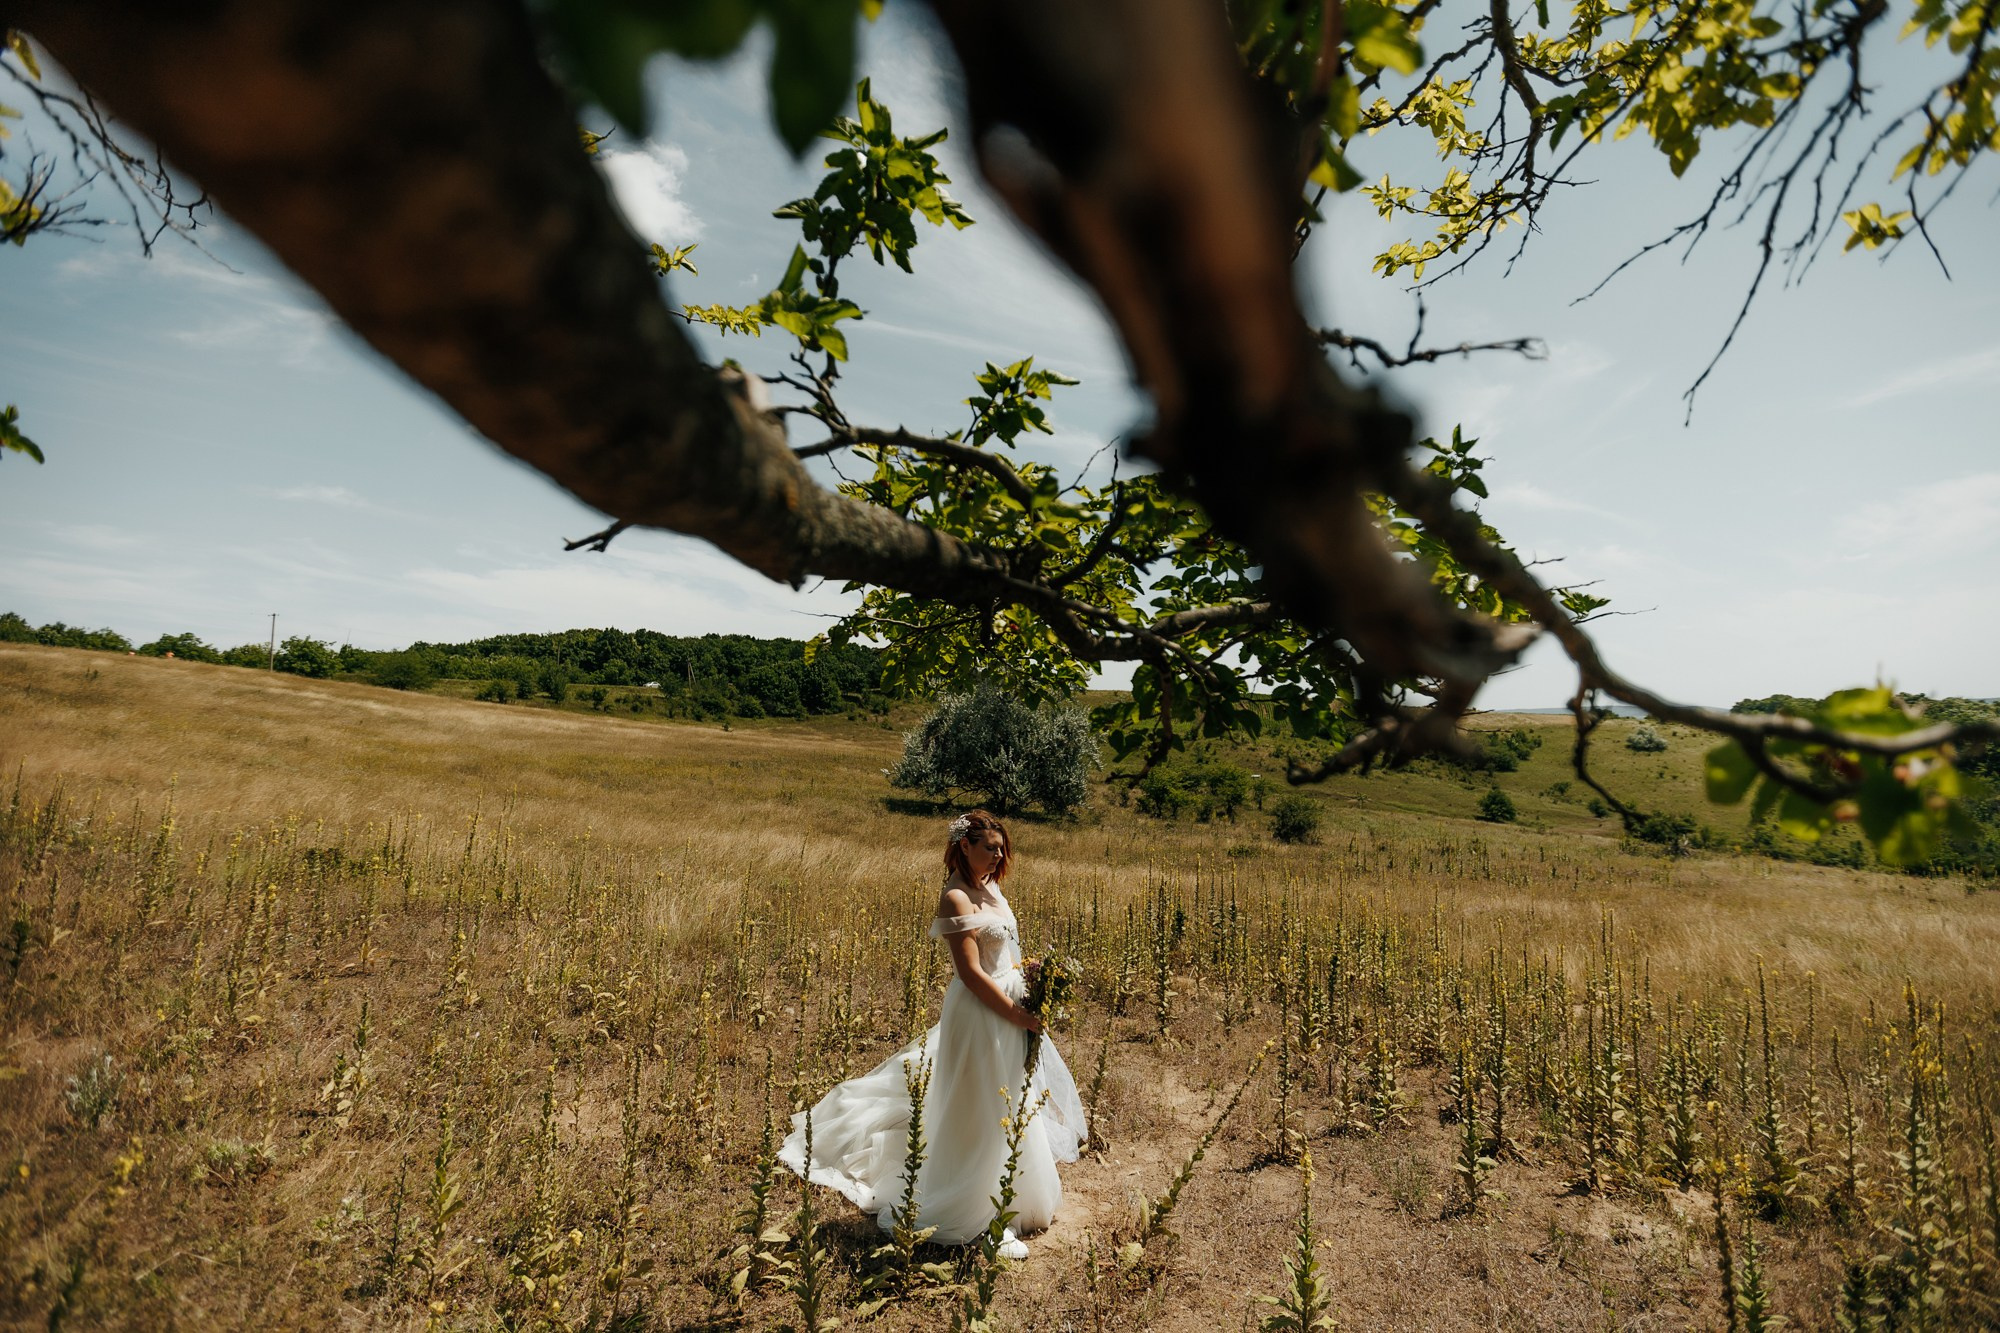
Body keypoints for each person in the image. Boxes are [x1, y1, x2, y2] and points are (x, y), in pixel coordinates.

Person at [777, 809, 1086, 1260]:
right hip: (980, 1012)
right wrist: (1016, 1016)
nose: (999, 855)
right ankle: (974, 1209)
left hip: (1009, 1005)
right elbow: (973, 974)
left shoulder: (990, 888)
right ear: (965, 846)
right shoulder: (955, 897)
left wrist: (1033, 978)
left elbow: (1004, 955)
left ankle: (1011, 1198)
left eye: (1002, 847)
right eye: (990, 847)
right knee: (979, 1104)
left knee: (1010, 1099)